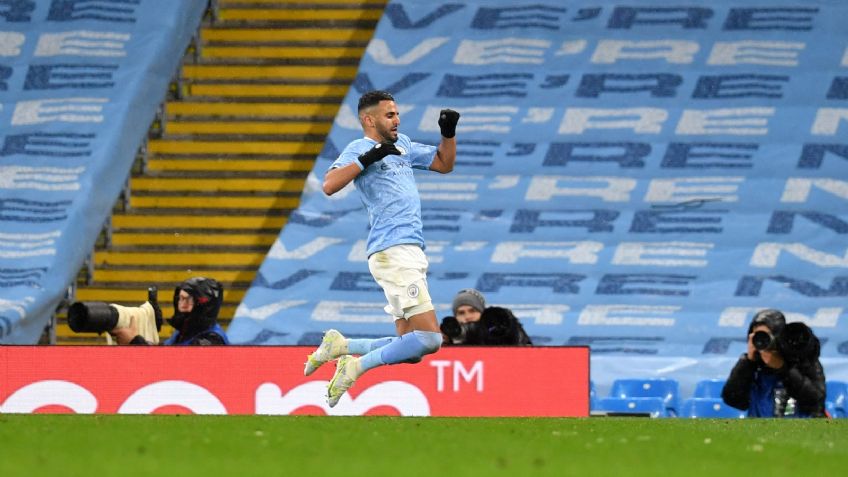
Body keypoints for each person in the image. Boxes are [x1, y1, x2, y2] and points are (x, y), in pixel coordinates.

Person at [305, 90, 460, 407]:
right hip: (393, 250)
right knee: (430, 339)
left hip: (408, 250)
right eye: (390, 115)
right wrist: (368, 158)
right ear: (368, 119)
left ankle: (342, 346)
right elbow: (330, 185)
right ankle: (356, 365)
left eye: (397, 114)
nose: (397, 120)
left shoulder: (402, 145)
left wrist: (448, 132)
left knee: (410, 346)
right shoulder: (359, 148)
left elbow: (444, 164)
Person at [721, 309, 826, 418]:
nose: (762, 341)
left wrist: (783, 369)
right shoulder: (752, 366)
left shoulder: (801, 359)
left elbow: (815, 400)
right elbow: (733, 400)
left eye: (766, 336)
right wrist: (748, 362)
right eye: (757, 336)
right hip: (760, 431)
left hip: (800, 430)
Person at [112, 277, 229, 346]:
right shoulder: (182, 334)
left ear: (203, 304)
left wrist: (135, 342)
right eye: (180, 298)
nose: (181, 304)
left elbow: (174, 367)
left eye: (187, 299)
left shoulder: (212, 340)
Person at [441, 288, 533, 346]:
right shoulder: (449, 333)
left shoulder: (499, 324)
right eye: (461, 313)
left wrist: (462, 333)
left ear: (482, 312)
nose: (467, 316)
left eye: (472, 311)